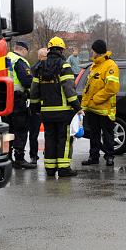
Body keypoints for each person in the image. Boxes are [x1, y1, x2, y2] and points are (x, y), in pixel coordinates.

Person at [29, 37, 81, 178]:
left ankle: (50, 169)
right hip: (63, 112)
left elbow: (34, 90)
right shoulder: (64, 66)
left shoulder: (39, 67)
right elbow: (69, 90)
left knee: (50, 139)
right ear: (61, 50)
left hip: (46, 112)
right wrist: (77, 107)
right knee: (63, 140)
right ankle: (64, 169)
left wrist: (34, 108)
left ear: (50, 49)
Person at [81, 39, 120, 167]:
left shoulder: (110, 65)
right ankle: (94, 156)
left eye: (92, 50)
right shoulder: (94, 65)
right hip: (93, 108)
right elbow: (89, 87)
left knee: (108, 134)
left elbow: (112, 88)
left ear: (97, 51)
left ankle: (109, 157)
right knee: (94, 134)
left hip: (105, 109)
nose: (91, 52)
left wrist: (96, 99)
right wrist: (86, 104)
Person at [6, 40, 35, 169]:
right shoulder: (20, 61)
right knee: (21, 129)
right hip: (18, 100)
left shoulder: (5, 58)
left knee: (7, 130)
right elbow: (26, 81)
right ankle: (19, 158)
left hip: (4, 100)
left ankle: (7, 157)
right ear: (23, 50)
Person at [27, 47, 48, 164]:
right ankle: (34, 156)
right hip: (39, 104)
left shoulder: (34, 68)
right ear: (40, 57)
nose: (47, 58)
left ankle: (36, 155)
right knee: (34, 132)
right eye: (45, 56)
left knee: (43, 132)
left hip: (40, 104)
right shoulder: (36, 69)